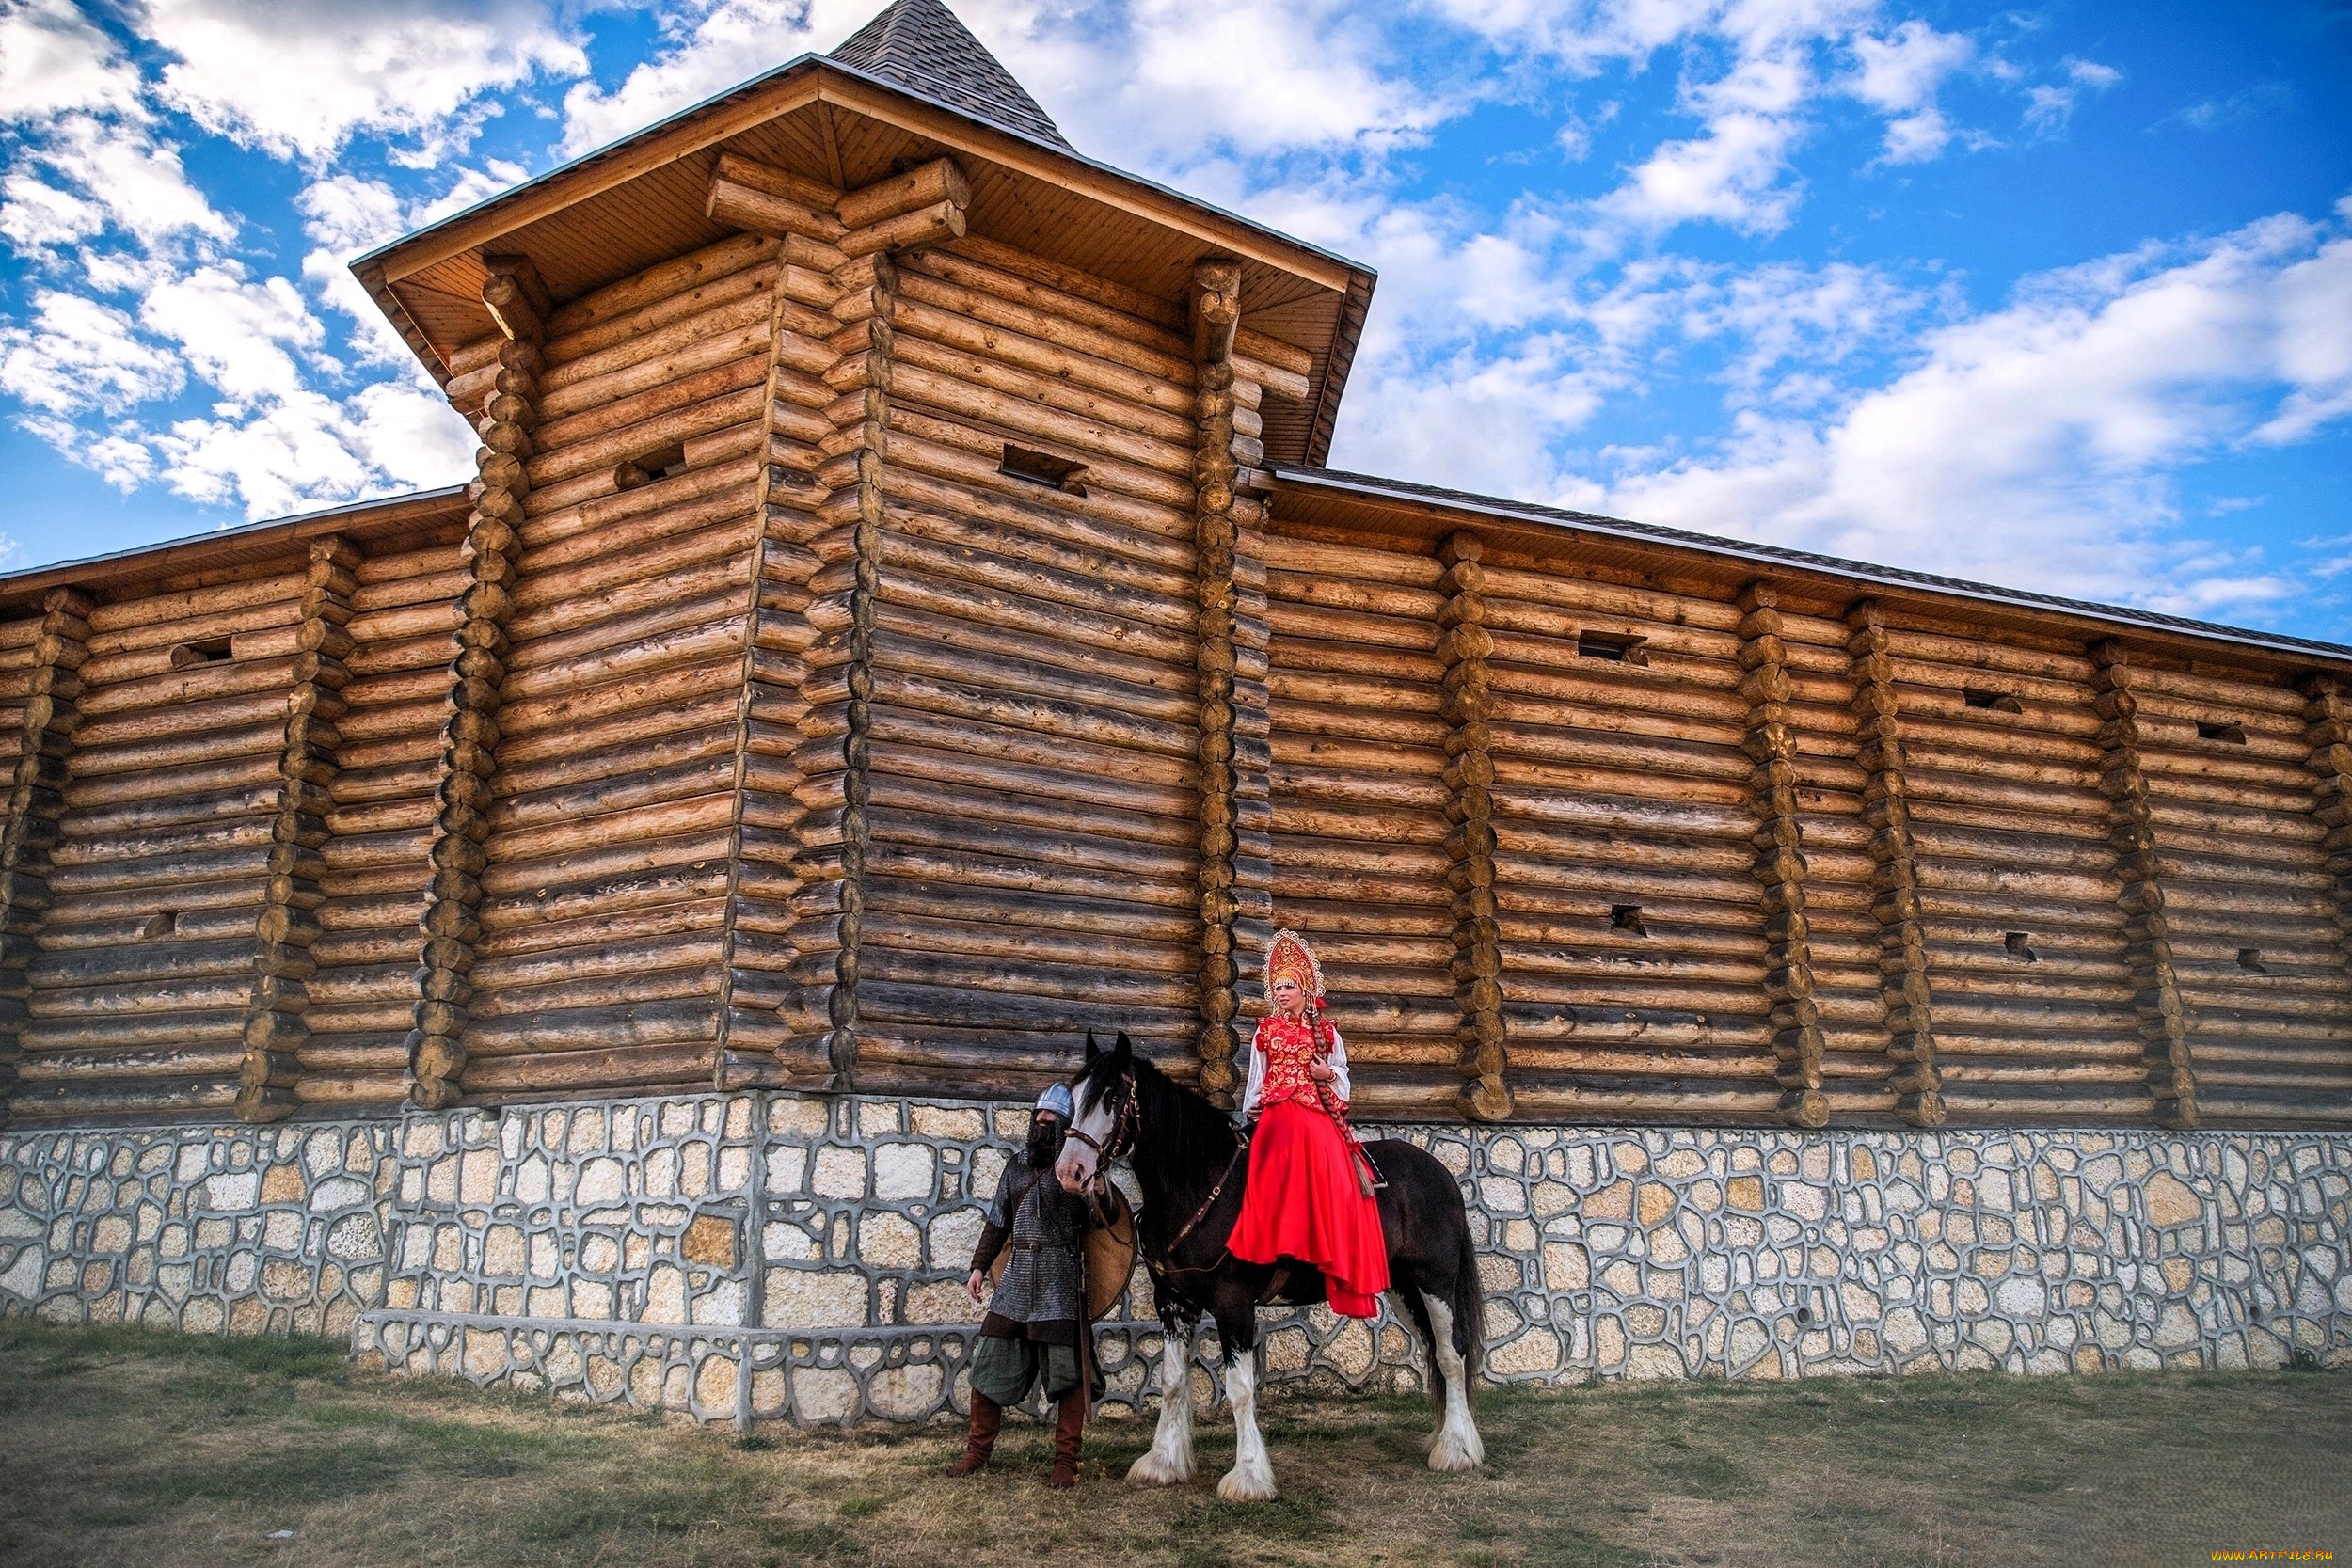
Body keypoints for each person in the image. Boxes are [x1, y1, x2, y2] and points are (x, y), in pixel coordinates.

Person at [1227, 928, 1391, 1318]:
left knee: (1334, 1174)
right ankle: (1272, 1245)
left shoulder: (1327, 1033)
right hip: (1276, 1116)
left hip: (1314, 1116)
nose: (1282, 992)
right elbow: (1256, 1076)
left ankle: (1327, 1247)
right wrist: (1253, 1104)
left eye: (1289, 985)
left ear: (1304, 988)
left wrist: (1326, 1074)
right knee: (1257, 1173)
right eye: (1277, 986)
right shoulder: (1265, 1031)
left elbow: (1344, 1079)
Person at [951, 1082, 1094, 1487]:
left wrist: (1090, 1192)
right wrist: (979, 1266)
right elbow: (998, 1221)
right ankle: (977, 1452)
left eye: (1050, 1120)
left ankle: (1066, 1461)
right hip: (1015, 1279)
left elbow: (1099, 1220)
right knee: (988, 1363)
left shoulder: (1077, 1168)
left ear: (1065, 1127)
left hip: (1058, 1280)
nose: (1041, 1124)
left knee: (1068, 1376)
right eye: (1038, 1118)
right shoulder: (1015, 1166)